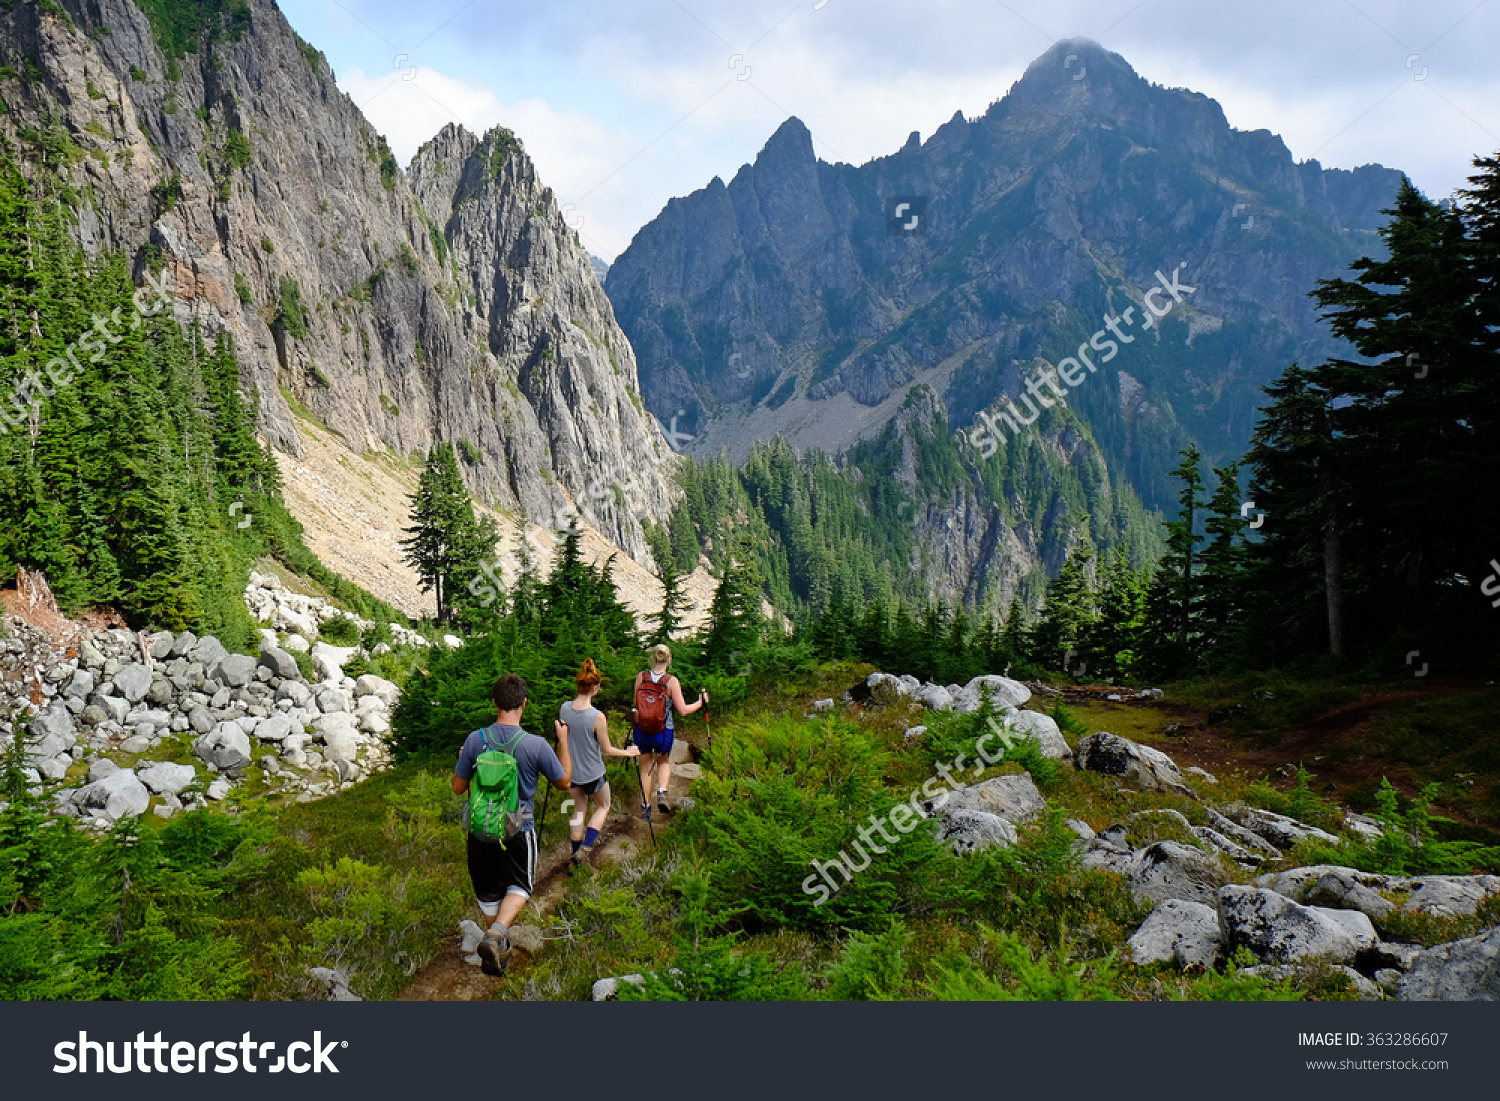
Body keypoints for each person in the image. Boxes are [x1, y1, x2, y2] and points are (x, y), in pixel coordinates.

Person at [451, 673, 572, 976]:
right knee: (521, 885)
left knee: (489, 892)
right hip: (518, 828)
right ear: (524, 704)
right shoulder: (536, 744)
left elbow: (456, 787)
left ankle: (497, 945)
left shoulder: (475, 739)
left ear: (494, 703)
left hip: (480, 830)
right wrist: (564, 742)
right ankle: (495, 936)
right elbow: (564, 782)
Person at [561, 658, 640, 868]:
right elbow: (607, 750)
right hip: (593, 772)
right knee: (603, 805)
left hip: (571, 772)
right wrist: (629, 752)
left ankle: (575, 853)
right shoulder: (596, 717)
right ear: (595, 686)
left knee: (579, 808)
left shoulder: (564, 709)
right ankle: (586, 849)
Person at [631, 643, 706, 817]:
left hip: (642, 730)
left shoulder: (641, 677)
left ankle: (645, 807)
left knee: (645, 768)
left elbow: (637, 703)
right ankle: (662, 792)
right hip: (662, 731)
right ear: (669, 660)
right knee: (663, 761)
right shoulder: (671, 682)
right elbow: (683, 710)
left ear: (653, 658)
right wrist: (701, 702)